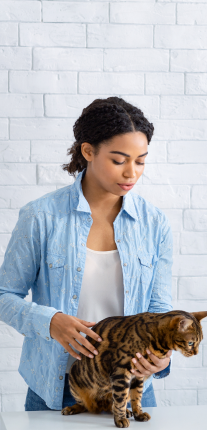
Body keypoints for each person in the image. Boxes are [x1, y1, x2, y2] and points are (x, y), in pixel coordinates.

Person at [0, 97, 173, 411]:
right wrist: (49, 321)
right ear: (88, 151)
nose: (131, 172)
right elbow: (3, 294)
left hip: (132, 390)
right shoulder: (41, 217)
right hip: (58, 392)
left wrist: (162, 356)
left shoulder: (154, 223)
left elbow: (159, 309)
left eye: (141, 161)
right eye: (119, 160)